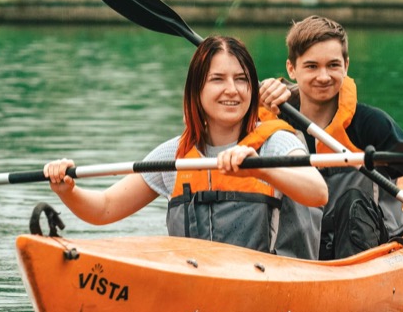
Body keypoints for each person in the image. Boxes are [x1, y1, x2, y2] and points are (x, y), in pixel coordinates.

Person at [45, 35, 328, 259]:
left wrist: (262, 170)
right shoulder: (174, 155)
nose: (232, 89)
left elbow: (317, 192)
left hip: (270, 289)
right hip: (200, 285)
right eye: (218, 79)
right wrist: (67, 190)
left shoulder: (276, 143)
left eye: (241, 80)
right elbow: (104, 209)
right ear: (197, 90)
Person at [260, 15, 403, 260]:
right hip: (303, 248)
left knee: (352, 201)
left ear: (346, 66)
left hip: (367, 248)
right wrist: (259, 93)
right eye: (311, 66)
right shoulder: (275, 117)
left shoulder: (370, 123)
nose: (323, 76)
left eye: (333, 65)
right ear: (291, 68)